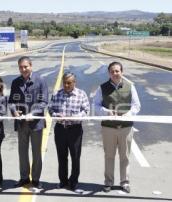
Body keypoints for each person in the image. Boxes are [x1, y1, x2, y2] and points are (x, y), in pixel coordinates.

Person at [94, 61, 141, 193]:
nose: (115, 73)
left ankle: (124, 182)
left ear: (122, 72)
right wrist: (106, 112)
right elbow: (96, 105)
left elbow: (136, 105)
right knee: (109, 155)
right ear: (109, 73)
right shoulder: (102, 88)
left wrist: (129, 114)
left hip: (126, 127)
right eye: (112, 71)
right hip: (108, 127)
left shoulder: (130, 86)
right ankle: (108, 182)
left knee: (125, 156)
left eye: (117, 71)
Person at [8, 56, 48, 189]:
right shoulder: (15, 82)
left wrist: (33, 113)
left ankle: (36, 179)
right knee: (22, 152)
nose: (23, 69)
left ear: (31, 66)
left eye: (25, 66)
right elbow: (12, 102)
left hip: (36, 123)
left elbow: (44, 102)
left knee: (36, 153)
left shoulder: (40, 80)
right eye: (21, 67)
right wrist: (14, 111)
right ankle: (24, 178)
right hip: (21, 124)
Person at [48, 72, 90, 191]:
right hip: (60, 129)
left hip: (75, 130)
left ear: (74, 83)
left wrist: (76, 117)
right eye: (64, 83)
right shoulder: (57, 93)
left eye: (69, 83)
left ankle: (74, 182)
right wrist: (56, 115)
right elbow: (50, 109)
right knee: (62, 156)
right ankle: (63, 181)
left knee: (75, 157)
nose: (66, 85)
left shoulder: (81, 94)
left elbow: (86, 110)